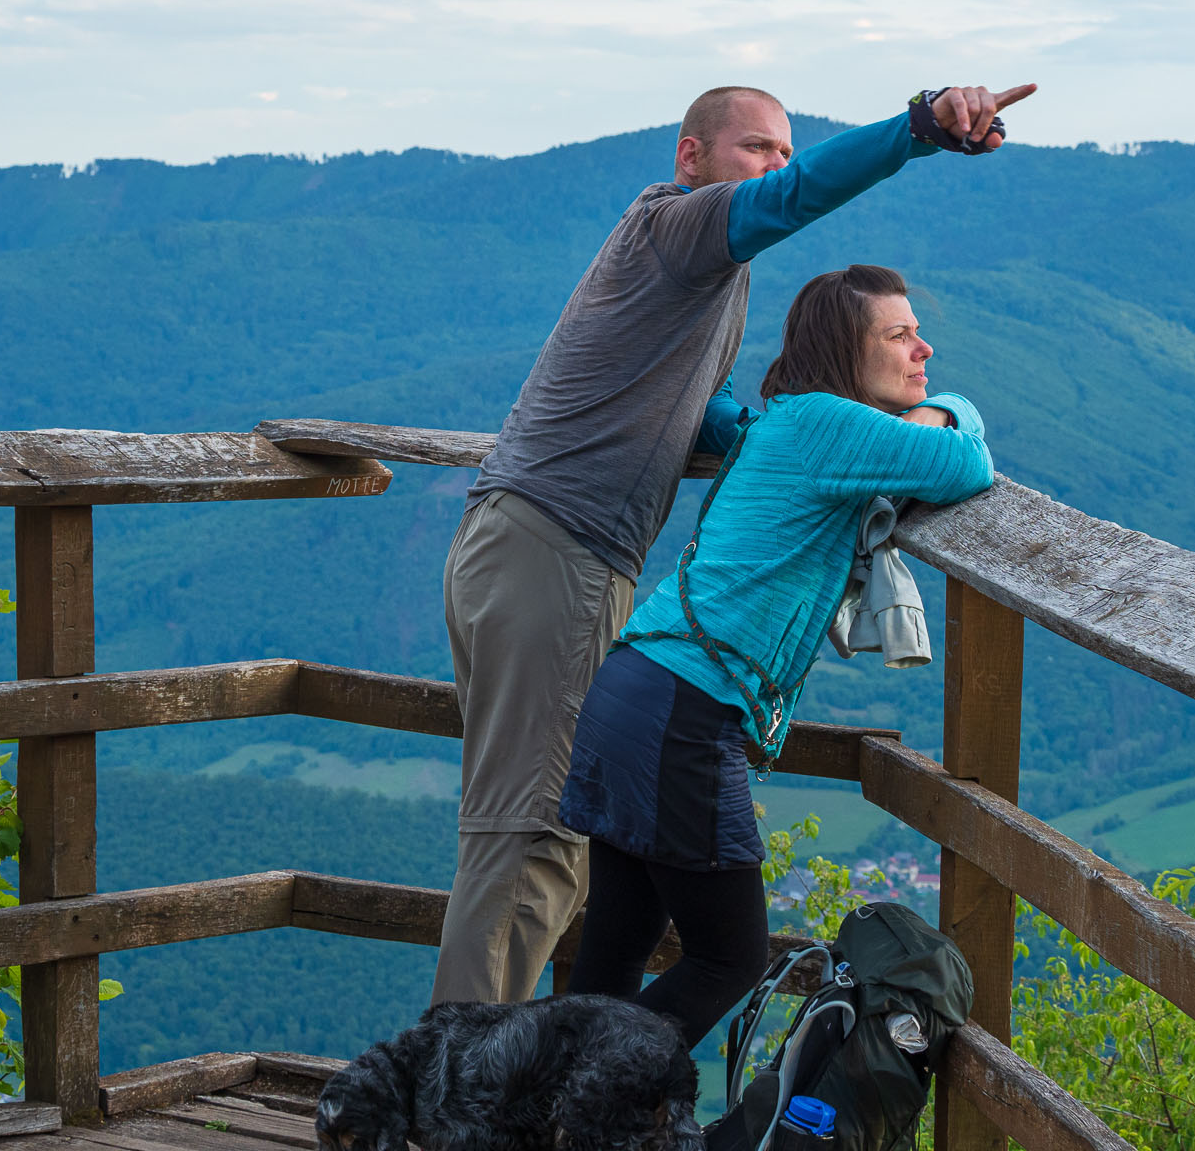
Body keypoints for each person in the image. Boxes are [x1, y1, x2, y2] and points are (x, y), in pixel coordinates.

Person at [432, 81, 1033, 1007]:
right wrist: (920, 127)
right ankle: (459, 1102)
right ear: (692, 158)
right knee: (530, 850)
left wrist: (773, 446)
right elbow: (794, 206)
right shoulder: (678, 231)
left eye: (786, 152)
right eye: (758, 149)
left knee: (545, 853)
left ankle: (520, 1088)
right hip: (557, 551)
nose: (776, 171)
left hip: (524, 541)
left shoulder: (702, 280)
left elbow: (682, 408)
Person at [557, 264, 993, 1047]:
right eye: (899, 336)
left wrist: (923, 408)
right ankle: (555, 1092)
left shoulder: (793, 419)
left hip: (635, 688)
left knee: (613, 956)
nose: (923, 348)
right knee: (730, 957)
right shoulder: (828, 423)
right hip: (684, 712)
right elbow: (968, 464)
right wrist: (945, 410)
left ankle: (541, 1111)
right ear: (844, 351)